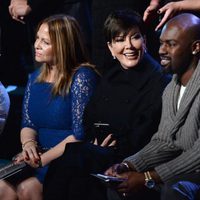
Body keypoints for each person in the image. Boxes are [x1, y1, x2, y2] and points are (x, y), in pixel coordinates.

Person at [42, 9, 171, 200]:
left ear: (144, 40)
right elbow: (89, 117)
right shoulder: (110, 75)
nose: (128, 46)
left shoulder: (160, 81)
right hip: (97, 153)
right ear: (110, 47)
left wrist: (106, 147)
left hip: (130, 159)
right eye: (119, 40)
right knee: (76, 176)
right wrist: (96, 142)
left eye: (135, 37)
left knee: (73, 158)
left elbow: (145, 131)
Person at [0, 14, 99, 200]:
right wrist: (28, 145)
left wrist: (41, 160)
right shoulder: (35, 77)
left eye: (45, 42)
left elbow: (79, 135)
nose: (36, 45)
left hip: (66, 160)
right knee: (2, 187)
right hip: (37, 157)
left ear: (63, 46)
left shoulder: (82, 77)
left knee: (27, 189)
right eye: (37, 38)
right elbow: (28, 123)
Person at [105, 13, 200, 200]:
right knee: (118, 185)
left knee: (173, 190)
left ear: (195, 47)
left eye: (171, 44)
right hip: (178, 169)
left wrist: (148, 176)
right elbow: (164, 141)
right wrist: (128, 165)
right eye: (161, 43)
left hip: (194, 173)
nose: (161, 50)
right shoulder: (172, 87)